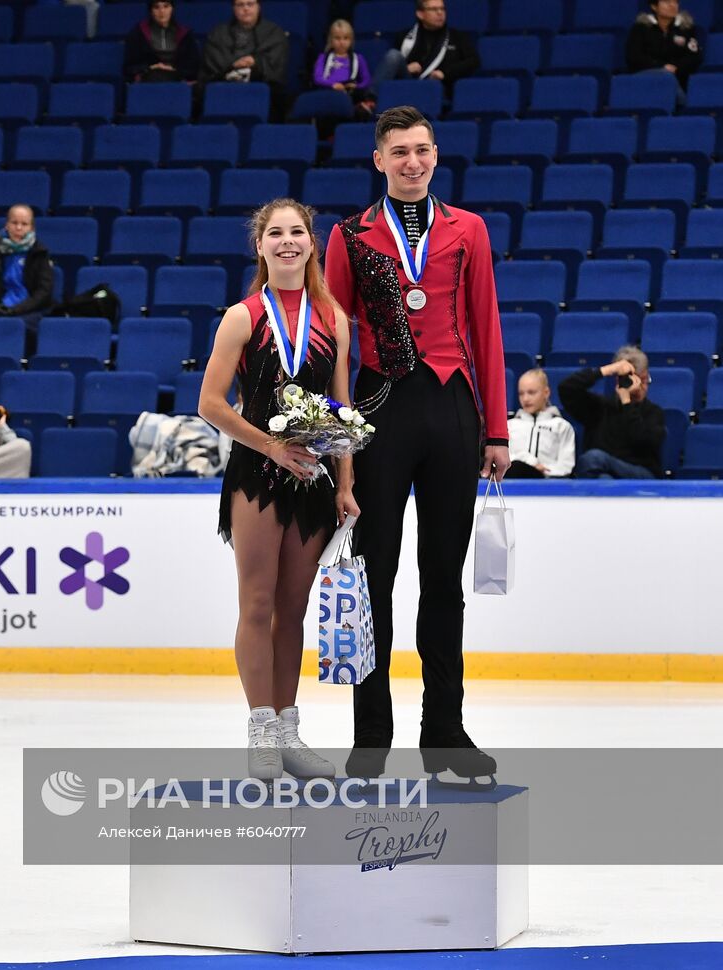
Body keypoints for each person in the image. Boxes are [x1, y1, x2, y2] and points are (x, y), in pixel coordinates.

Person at [324, 105, 508, 788]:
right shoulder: (349, 236)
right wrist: (339, 441)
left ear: (436, 155)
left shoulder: (470, 230)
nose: (412, 162)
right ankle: (371, 733)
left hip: (454, 406)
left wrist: (495, 426)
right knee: (374, 579)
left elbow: (485, 324)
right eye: (398, 152)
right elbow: (336, 344)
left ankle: (445, 731)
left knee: (443, 580)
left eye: (422, 150)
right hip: (378, 409)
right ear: (379, 160)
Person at [198, 199, 356, 782]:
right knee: (258, 604)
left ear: (311, 244)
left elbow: (341, 409)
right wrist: (269, 446)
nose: (287, 242)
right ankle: (260, 729)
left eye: (297, 232)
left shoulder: (333, 319)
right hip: (257, 476)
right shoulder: (242, 317)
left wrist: (345, 484)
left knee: (293, 611)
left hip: (312, 481)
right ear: (259, 246)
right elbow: (209, 403)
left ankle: (290, 732)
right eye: (275, 234)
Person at [559, 347, 665, 480]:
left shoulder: (654, 412)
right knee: (603, 477)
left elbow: (643, 442)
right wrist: (607, 370)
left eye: (644, 380)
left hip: (640, 475)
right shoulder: (600, 407)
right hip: (603, 474)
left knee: (595, 457)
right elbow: (566, 388)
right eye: (635, 380)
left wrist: (627, 402)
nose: (640, 386)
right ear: (619, 381)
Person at [371, 0, 479, 96]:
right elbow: (395, 69)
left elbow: (473, 61)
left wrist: (445, 73)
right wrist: (406, 68)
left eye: (442, 8)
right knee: (393, 55)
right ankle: (371, 100)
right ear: (420, 14)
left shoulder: (457, 36)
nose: (440, 12)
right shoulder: (405, 36)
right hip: (407, 86)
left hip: (437, 89)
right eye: (434, 9)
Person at [0, 204, 54, 326]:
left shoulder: (40, 253)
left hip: (30, 310)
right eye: (14, 223)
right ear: (7, 225)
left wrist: (19, 309)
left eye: (24, 224)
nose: (18, 228)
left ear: (32, 228)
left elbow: (44, 292)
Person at [199, 0, 289, 89]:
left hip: (263, 89)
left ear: (258, 7)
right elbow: (212, 67)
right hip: (224, 88)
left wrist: (256, 62)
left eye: (250, 4)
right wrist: (234, 65)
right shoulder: (218, 34)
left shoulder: (274, 33)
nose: (245, 8)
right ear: (234, 9)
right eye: (240, 5)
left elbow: (276, 66)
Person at [505, 368, 575, 479]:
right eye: (521, 394)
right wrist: (531, 462)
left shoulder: (562, 426)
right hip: (513, 478)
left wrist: (543, 471)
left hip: (549, 483)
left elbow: (566, 466)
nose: (526, 399)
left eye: (531, 392)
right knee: (516, 467)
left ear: (546, 393)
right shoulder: (509, 426)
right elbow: (504, 459)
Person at [626, 0, 703, 90]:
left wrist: (676, 68)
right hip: (647, 80)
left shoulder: (686, 28)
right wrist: (662, 66)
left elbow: (694, 56)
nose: (672, 5)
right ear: (654, 6)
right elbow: (634, 56)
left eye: (675, 2)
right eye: (667, 2)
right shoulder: (640, 28)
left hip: (679, 80)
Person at [124, 0, 202, 84]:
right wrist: (151, 67)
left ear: (172, 9)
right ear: (151, 11)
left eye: (166, 6)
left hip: (179, 80)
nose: (162, 11)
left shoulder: (186, 35)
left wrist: (174, 69)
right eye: (156, 7)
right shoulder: (138, 34)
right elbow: (130, 67)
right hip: (148, 79)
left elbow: (193, 67)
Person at [313, 19, 373, 114]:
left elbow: (367, 80)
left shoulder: (358, 58)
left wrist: (357, 86)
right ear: (331, 40)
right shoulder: (323, 57)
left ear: (351, 40)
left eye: (345, 38)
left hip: (350, 92)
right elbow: (317, 78)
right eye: (337, 38)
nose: (341, 42)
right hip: (329, 91)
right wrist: (333, 85)